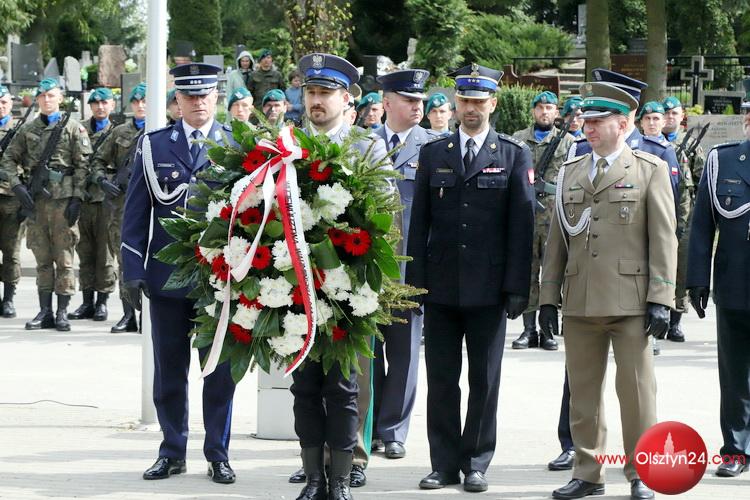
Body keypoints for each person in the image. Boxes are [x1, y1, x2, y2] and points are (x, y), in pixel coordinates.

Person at [539, 81, 677, 500]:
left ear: (624, 123)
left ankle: (641, 473)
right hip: (580, 300)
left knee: (637, 393)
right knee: (583, 396)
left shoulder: (649, 169)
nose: (590, 128)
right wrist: (547, 297)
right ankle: (588, 472)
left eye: (599, 121)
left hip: (630, 302)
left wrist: (661, 298)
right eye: (587, 121)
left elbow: (664, 238)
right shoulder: (571, 171)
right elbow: (557, 240)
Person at [407, 63, 535, 493]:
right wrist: (415, 283)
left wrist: (517, 287)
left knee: (485, 380)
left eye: (479, 101)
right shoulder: (434, 153)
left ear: (493, 104)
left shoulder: (513, 154)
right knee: (442, 380)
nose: (471, 109)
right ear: (456, 103)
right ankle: (443, 464)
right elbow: (419, 224)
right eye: (465, 101)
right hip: (441, 286)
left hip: (489, 288)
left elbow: (521, 228)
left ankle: (476, 462)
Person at [120, 64, 238, 483]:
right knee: (169, 371)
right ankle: (172, 451)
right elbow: (136, 213)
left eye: (205, 95)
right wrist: (131, 269)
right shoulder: (154, 145)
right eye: (190, 96)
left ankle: (218, 453)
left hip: (221, 280)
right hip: (167, 277)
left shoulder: (236, 144)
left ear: (216, 97)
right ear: (178, 102)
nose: (198, 102)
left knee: (220, 372)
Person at [291, 51, 389, 500]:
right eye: (310, 92)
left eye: (325, 93)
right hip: (295, 288)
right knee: (305, 387)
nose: (316, 100)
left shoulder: (368, 147)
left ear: (345, 98)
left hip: (350, 288)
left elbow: (385, 218)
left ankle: (343, 477)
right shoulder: (288, 144)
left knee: (346, 387)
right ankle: (313, 476)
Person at [370, 69, 436, 461]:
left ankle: (393, 430)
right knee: (367, 353)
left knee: (405, 353)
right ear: (387, 103)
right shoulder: (364, 144)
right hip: (367, 268)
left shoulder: (434, 146)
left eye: (420, 101)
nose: (417, 107)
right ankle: (368, 424)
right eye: (409, 100)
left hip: (410, 270)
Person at [687, 102, 750, 478]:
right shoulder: (722, 160)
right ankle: (736, 449)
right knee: (735, 373)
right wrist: (697, 278)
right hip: (734, 284)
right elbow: (701, 225)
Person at [1, 78, 92, 331]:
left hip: (63, 203)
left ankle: (62, 312)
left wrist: (77, 199)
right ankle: (45, 311)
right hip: (36, 203)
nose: (47, 100)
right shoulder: (27, 129)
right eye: (42, 96)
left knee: (64, 259)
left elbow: (83, 165)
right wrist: (17, 186)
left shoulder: (73, 128)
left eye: (51, 95)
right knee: (42, 258)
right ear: (38, 100)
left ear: (60, 98)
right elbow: (8, 158)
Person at [510, 90, 573, 351]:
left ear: (556, 112)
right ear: (533, 111)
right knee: (527, 271)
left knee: (552, 272)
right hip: (525, 214)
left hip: (554, 217)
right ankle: (528, 330)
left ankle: (548, 329)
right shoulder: (518, 139)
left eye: (549, 108)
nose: (544, 112)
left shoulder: (568, 142)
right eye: (540, 107)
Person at [90, 82, 147, 334]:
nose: (141, 105)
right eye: (136, 101)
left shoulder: (164, 129)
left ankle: (148, 315)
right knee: (125, 259)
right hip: (122, 206)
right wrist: (103, 180)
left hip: (154, 205)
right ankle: (128, 314)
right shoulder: (119, 132)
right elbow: (97, 161)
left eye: (145, 100)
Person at [68, 87, 117, 323]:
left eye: (104, 102)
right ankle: (87, 301)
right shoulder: (78, 129)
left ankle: (102, 302)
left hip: (105, 201)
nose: (100, 107)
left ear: (112, 105)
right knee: (84, 252)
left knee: (104, 254)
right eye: (95, 103)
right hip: (82, 199)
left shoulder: (116, 132)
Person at [662, 95, 706, 341]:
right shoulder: (652, 142)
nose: (669, 117)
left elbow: (702, 181)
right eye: (666, 113)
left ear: (681, 117)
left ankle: (675, 321)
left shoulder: (691, 145)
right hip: (658, 214)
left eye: (674, 113)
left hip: (684, 218)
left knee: (681, 268)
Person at [0, 85, 22, 318]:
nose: (1, 106)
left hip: (11, 198)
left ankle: (8, 298)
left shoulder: (20, 130)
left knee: (11, 251)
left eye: (4, 102)